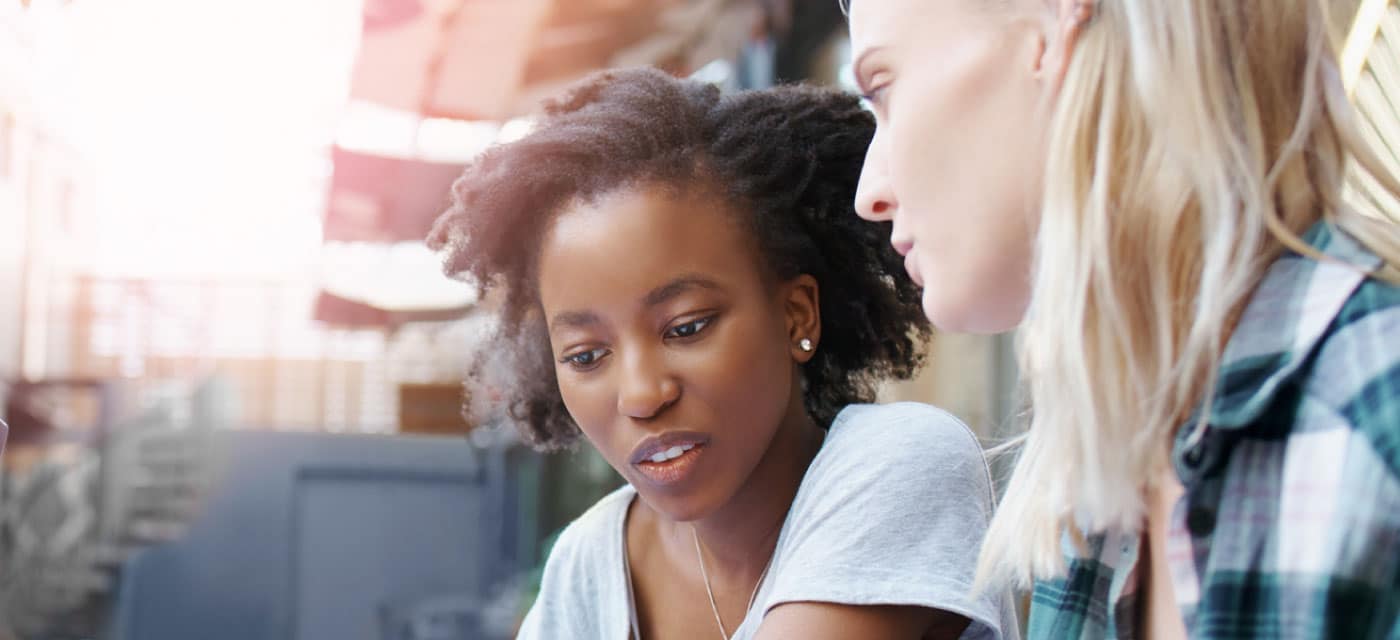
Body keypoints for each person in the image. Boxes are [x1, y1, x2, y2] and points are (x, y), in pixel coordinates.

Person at [846, 0, 1400, 637]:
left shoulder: (1372, 415)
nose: (870, 191)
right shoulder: (1098, 471)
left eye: (882, 90)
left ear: (1058, 24)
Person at [427, 67, 1018, 639]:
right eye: (585, 356)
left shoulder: (902, 464)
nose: (641, 394)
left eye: (685, 328)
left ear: (796, 316)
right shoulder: (590, 566)